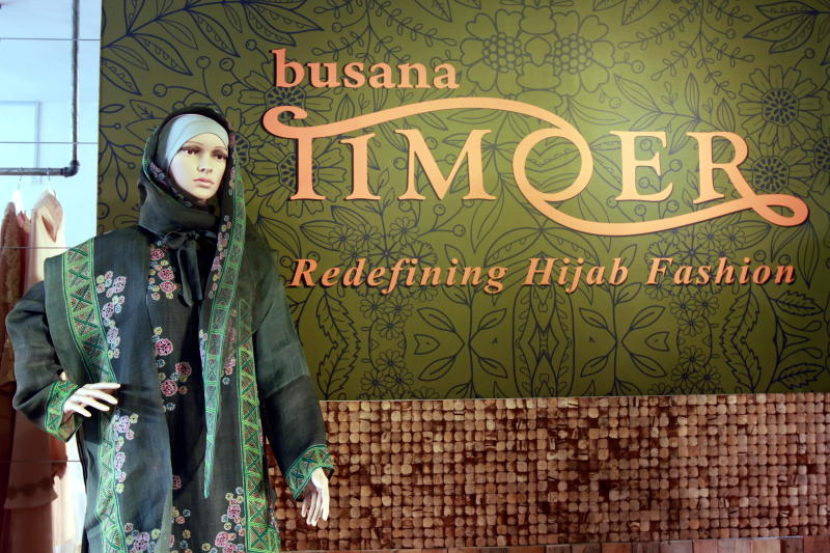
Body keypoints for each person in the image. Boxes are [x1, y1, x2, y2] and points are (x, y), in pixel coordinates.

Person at [6, 106, 334, 553]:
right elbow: (29, 315)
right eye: (192, 150)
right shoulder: (109, 256)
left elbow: (282, 368)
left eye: (219, 155)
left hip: (226, 468)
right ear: (161, 160)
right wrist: (56, 392)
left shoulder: (247, 261)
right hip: (134, 457)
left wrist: (307, 462)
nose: (207, 165)